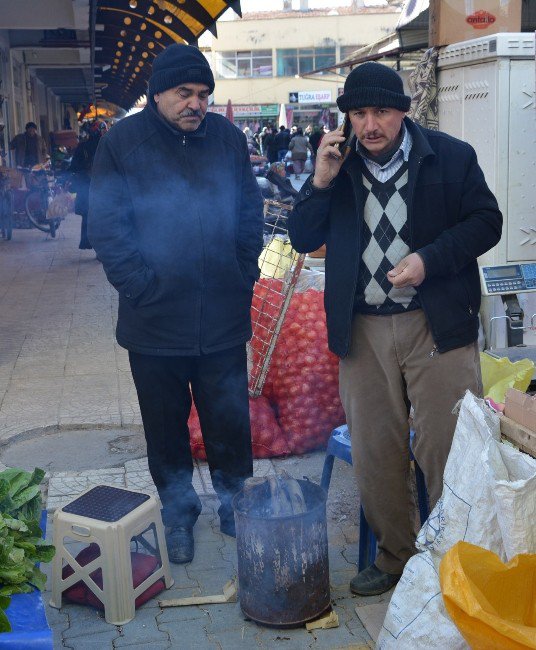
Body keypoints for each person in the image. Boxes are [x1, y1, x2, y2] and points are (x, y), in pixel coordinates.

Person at [288, 62, 502, 596]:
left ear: (403, 111)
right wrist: (318, 182)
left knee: (447, 447)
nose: (369, 125)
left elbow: (487, 221)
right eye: (358, 113)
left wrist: (429, 259)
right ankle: (396, 556)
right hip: (363, 329)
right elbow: (301, 235)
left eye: (380, 111)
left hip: (437, 327)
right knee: (376, 448)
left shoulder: (450, 156)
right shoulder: (337, 165)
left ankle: (457, 555)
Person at [89, 44, 264, 564]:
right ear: (157, 93)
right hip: (155, 321)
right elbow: (107, 225)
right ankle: (179, 513)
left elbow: (250, 209)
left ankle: (236, 505)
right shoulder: (124, 142)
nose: (196, 104)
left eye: (204, 94)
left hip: (222, 316)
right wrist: (140, 285)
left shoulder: (228, 139)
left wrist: (243, 271)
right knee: (165, 426)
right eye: (185, 93)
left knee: (229, 419)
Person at [69, 121, 108, 249]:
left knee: (87, 215)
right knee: (103, 216)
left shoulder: (83, 146)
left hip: (87, 185)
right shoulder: (107, 145)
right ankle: (100, 246)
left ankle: (87, 242)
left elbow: (73, 166)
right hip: (102, 186)